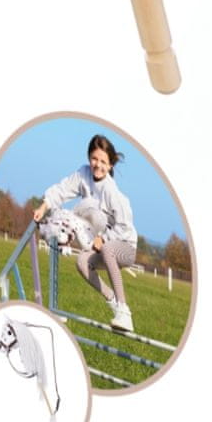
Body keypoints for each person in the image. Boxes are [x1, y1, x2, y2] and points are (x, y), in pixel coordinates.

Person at [35, 132, 138, 335]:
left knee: (108, 249)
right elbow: (62, 189)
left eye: (103, 162)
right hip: (102, 245)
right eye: (94, 159)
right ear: (89, 157)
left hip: (126, 246)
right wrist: (43, 207)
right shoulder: (84, 174)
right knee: (82, 262)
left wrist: (104, 238)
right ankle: (113, 302)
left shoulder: (111, 191)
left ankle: (124, 311)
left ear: (110, 165)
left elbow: (124, 227)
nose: (97, 165)